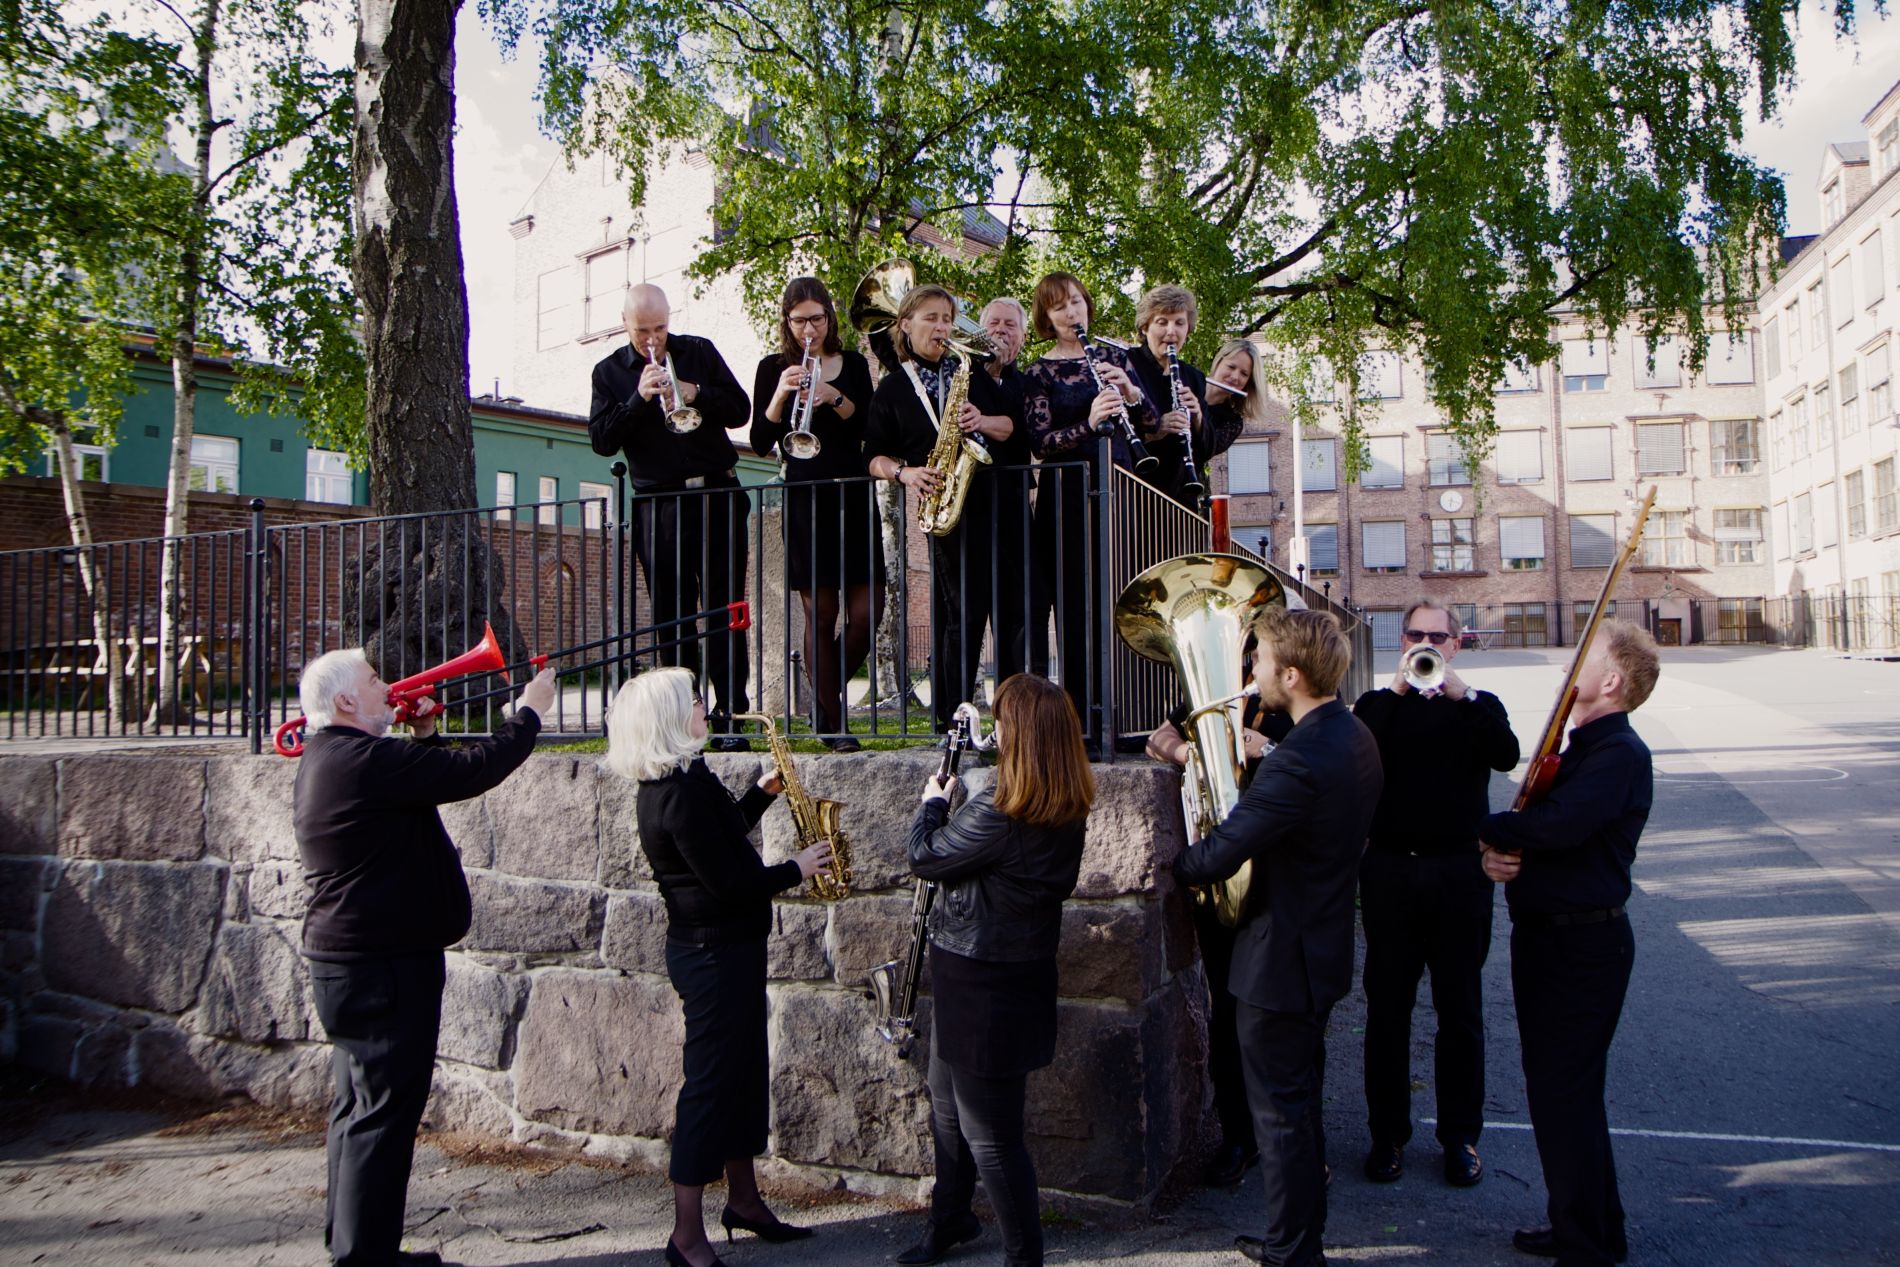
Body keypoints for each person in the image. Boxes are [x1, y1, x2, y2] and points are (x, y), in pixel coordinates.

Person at [293, 648, 556, 1267]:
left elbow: (425, 781)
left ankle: (356, 1248)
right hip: (381, 965)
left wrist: (426, 733)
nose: (387, 686)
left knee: (358, 1110)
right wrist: (528, 714)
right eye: (374, 680)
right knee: (381, 1116)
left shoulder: (340, 756)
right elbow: (473, 770)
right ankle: (366, 1259)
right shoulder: (363, 759)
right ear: (345, 701)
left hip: (356, 961)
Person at [603, 667, 834, 1267]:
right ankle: (685, 1236)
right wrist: (796, 869)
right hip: (711, 955)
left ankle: (745, 1202)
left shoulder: (687, 777)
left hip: (728, 947)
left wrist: (761, 793)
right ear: (667, 719)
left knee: (741, 1076)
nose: (704, 705)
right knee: (708, 1088)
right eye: (692, 700)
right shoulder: (675, 797)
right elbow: (729, 882)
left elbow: (722, 835)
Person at [1171, 608, 1382, 1267]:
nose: (1252, 670)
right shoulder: (1354, 734)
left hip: (1279, 965)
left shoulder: (1297, 762)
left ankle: (1293, 1252)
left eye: (1259, 659)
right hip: (1320, 950)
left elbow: (1217, 854)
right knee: (1300, 1104)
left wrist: (1170, 865)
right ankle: (1300, 1237)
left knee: (1280, 1117)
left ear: (1290, 675)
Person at [896, 673, 1095, 1267]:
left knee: (991, 1137)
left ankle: (1023, 1257)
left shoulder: (1002, 809)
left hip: (983, 982)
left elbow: (924, 856)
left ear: (1023, 734)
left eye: (1003, 720)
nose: (996, 729)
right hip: (996, 973)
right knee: (946, 1105)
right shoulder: (1062, 799)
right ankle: (951, 1217)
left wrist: (933, 802)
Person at [1479, 622, 1660, 1267]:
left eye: (1582, 660)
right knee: (1563, 1095)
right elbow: (1541, 836)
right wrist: (1501, 855)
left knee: (1565, 1095)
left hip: (1582, 947)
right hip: (1552, 940)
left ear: (1610, 681)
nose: (1566, 668)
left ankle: (1586, 1247)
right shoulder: (1582, 747)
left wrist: (1483, 828)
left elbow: (1560, 826)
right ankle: (1590, 1228)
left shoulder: (1620, 753)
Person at [1351, 599, 1520, 1188]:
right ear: (1402, 641)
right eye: (1415, 635)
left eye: (1437, 637)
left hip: (1458, 876)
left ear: (1456, 643)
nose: (1426, 644)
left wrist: (1461, 695)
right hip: (1391, 873)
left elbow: (1506, 754)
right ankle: (1387, 1136)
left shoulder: (1479, 705)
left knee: (1461, 1012)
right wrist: (1399, 688)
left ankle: (1460, 1137)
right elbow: (1357, 752)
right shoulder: (1377, 706)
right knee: (1387, 1010)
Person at [1146, 644, 1293, 1188]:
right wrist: (1190, 752)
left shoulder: (1290, 705)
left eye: (1254, 654)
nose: (1248, 665)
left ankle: (1294, 1142)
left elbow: (1317, 768)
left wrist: (1265, 747)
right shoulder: (1207, 697)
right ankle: (1238, 1137)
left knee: (1281, 1020)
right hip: (1219, 877)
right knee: (1225, 1014)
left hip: (1276, 883)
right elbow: (1156, 739)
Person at [589, 283, 754, 751]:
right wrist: (637, 399)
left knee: (725, 609)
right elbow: (601, 440)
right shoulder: (608, 372)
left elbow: (740, 410)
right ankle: (684, 719)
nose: (653, 340)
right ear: (624, 324)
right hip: (658, 504)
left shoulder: (698, 351)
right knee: (672, 615)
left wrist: (695, 392)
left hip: (717, 493)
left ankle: (731, 717)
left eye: (660, 328)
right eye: (642, 331)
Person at [864, 284, 1029, 732]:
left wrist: (982, 421)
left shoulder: (969, 371)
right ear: (905, 325)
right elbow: (872, 456)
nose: (942, 327)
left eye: (947, 319)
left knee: (1011, 615)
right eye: (931, 318)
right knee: (961, 617)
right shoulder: (893, 388)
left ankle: (1013, 722)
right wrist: (905, 474)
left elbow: (1013, 426)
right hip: (947, 510)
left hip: (996, 502)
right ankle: (951, 722)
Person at [1022, 271, 1160, 748]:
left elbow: (1151, 424)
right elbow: (1041, 442)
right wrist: (1089, 422)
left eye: (1077, 302)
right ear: (1046, 316)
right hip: (1067, 500)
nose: (1071, 312)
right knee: (1078, 606)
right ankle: (1082, 721)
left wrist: (1133, 394)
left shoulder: (1115, 357)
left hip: (1118, 491)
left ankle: (1125, 717)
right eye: (1059, 306)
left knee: (1121, 599)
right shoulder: (1039, 373)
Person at [749, 277, 881, 750]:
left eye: (818, 319)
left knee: (868, 612)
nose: (810, 329)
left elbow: (870, 427)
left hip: (853, 494)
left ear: (830, 316)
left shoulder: (854, 365)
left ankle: (822, 699)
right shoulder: (772, 368)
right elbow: (760, 442)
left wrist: (834, 397)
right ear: (787, 321)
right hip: (806, 499)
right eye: (800, 320)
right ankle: (831, 722)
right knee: (821, 613)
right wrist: (780, 396)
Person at [978, 295, 1036, 687]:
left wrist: (984, 420)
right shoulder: (964, 373)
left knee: (1016, 608)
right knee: (966, 610)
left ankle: (1011, 699)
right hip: (970, 500)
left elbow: (1022, 430)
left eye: (1010, 325)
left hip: (1013, 499)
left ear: (1023, 336)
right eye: (994, 323)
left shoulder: (1026, 383)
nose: (1000, 330)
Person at [1123, 284, 1210, 510]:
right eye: (1162, 322)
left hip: (1181, 497)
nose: (1171, 331)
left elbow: (1207, 450)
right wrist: (1155, 430)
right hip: (1133, 495)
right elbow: (1113, 434)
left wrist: (1198, 417)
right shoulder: (1126, 364)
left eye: (1179, 323)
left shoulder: (1194, 377)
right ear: (1145, 327)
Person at [1202, 338, 1266, 465]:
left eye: (1244, 374)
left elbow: (1205, 450)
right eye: (1231, 367)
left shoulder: (1232, 422)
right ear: (1218, 362)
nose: (1235, 377)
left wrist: (1197, 417)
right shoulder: (1187, 383)